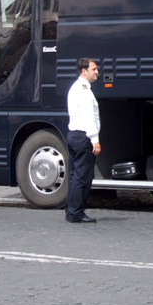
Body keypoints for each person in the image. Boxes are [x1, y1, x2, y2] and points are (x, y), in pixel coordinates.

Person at [66, 57, 101, 223]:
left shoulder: (75, 87)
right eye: (94, 69)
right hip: (83, 137)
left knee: (74, 176)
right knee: (83, 177)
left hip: (73, 135)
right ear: (84, 71)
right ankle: (77, 212)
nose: (97, 72)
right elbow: (89, 117)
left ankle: (71, 210)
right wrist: (95, 140)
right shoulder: (84, 90)